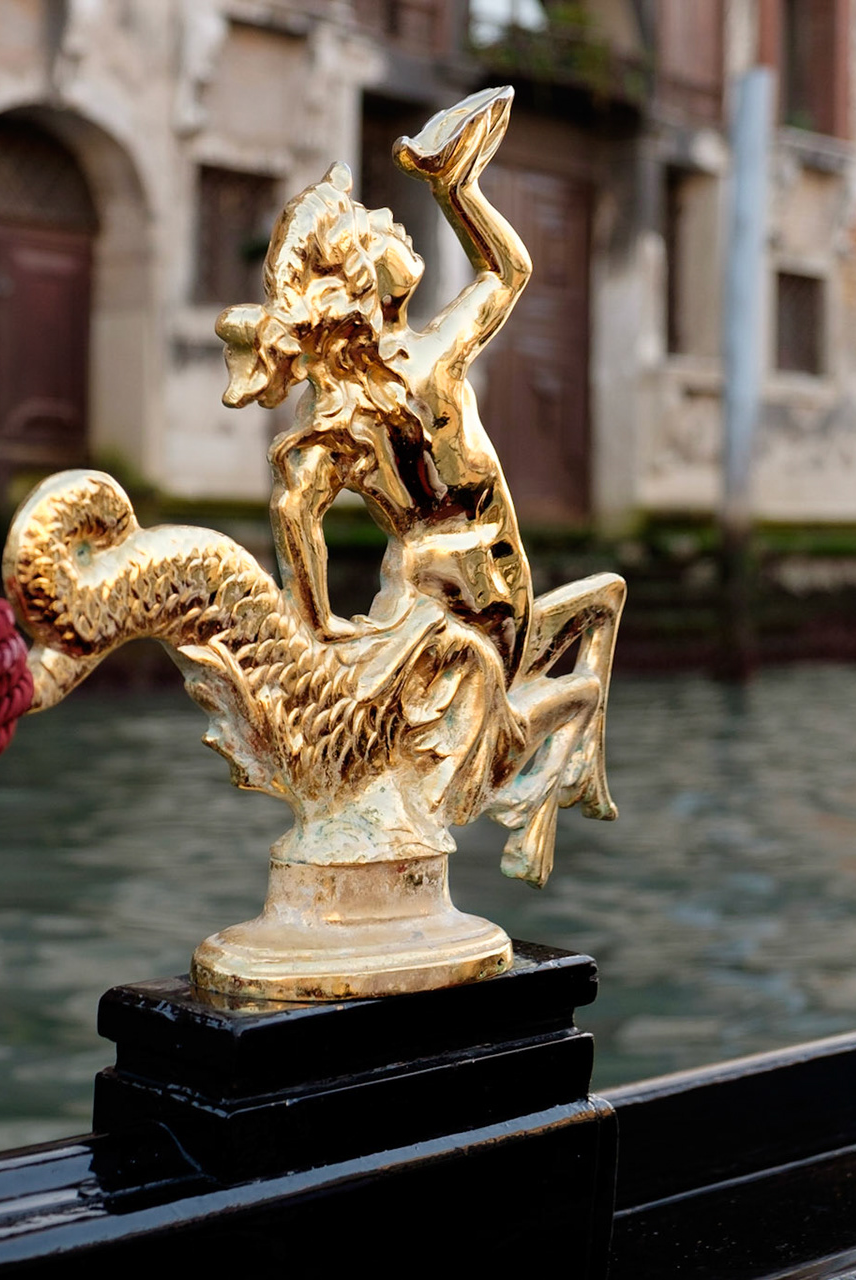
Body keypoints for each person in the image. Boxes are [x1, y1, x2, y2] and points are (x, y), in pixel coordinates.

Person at [215, 87, 623, 883]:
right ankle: (560, 745)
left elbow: (294, 509)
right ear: (363, 278)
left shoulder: (366, 399)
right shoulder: (420, 366)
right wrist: (455, 192)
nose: (391, 224)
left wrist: (314, 623)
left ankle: (559, 758)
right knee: (518, 703)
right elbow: (508, 271)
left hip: (460, 580)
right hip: (469, 590)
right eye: (377, 228)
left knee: (600, 603)